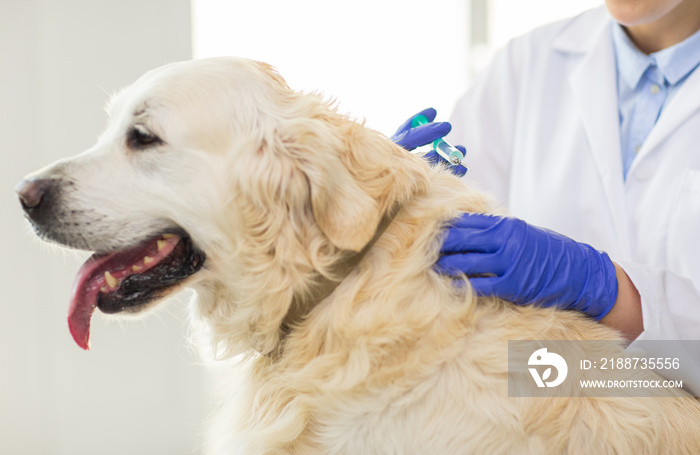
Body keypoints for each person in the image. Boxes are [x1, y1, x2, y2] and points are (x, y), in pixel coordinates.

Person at [392, 0, 700, 391]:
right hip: (533, 416)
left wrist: (610, 291)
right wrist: (397, 195)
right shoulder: (527, 63)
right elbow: (440, 242)